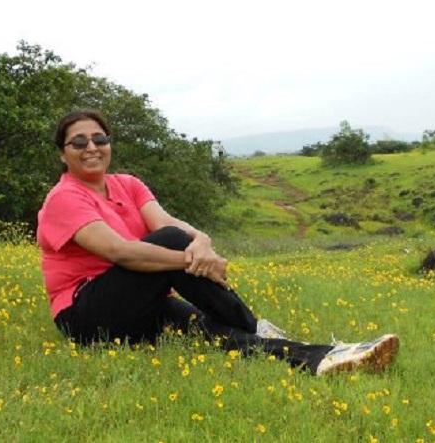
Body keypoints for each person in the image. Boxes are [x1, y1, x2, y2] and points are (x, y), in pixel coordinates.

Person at [37, 109, 399, 375]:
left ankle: (324, 358)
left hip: (140, 302)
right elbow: (121, 252)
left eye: (100, 139)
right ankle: (255, 324)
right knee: (174, 242)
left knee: (214, 332)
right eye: (78, 142)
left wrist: (204, 242)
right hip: (86, 315)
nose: (91, 148)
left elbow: (166, 221)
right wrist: (192, 259)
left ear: (110, 143)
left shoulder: (127, 184)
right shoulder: (64, 198)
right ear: (62, 153)